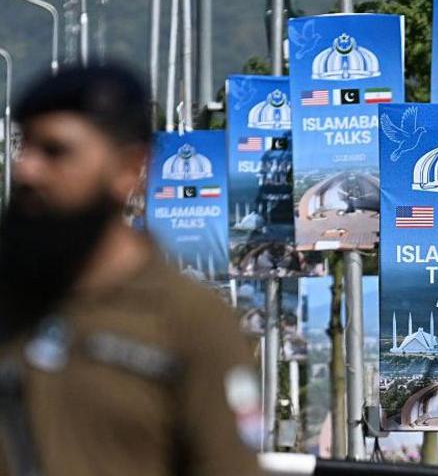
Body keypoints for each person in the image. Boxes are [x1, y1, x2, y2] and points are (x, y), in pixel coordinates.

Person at [0, 66, 262, 475]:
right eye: (25, 148)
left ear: (128, 169)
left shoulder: (190, 323)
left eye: (55, 151)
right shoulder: (14, 305)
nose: (27, 171)